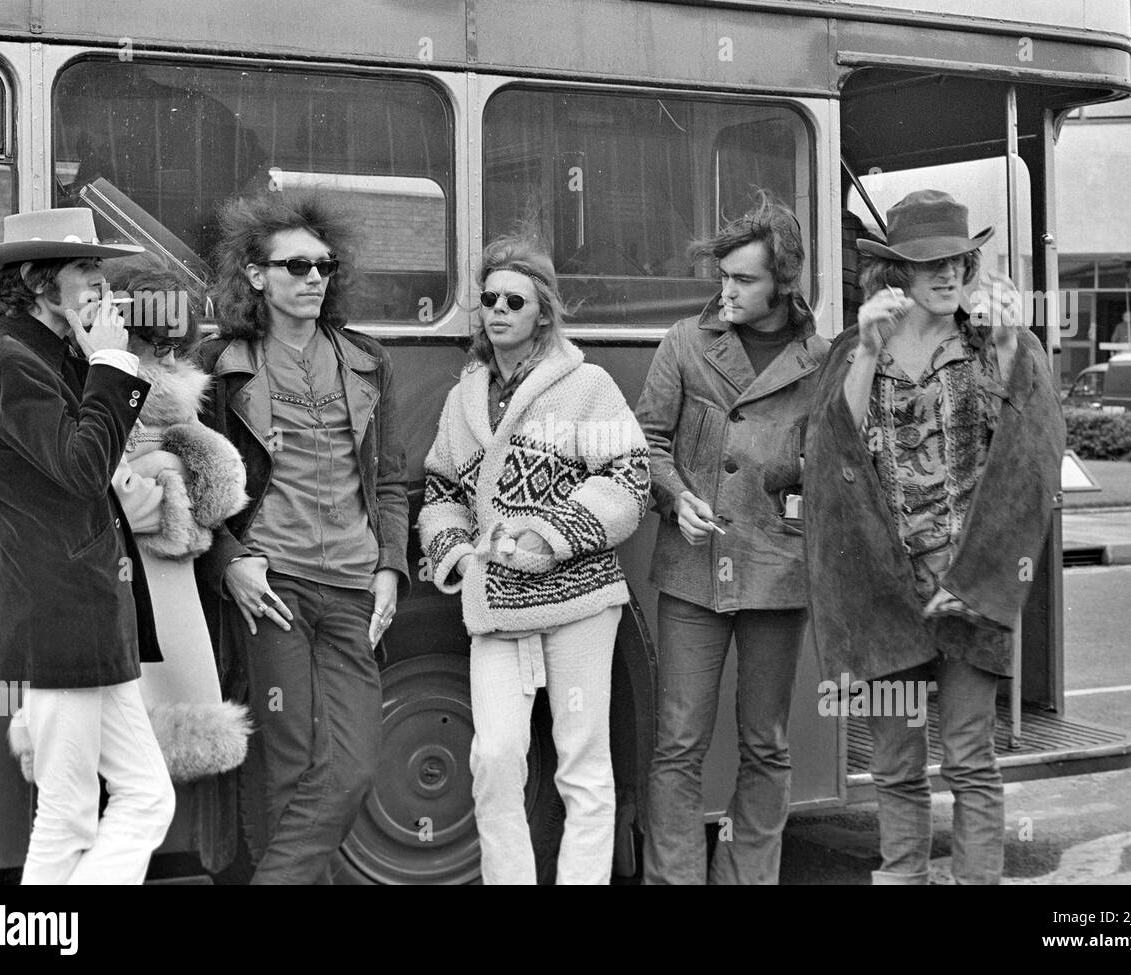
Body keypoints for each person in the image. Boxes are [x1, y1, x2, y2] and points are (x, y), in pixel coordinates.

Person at [804, 189, 1065, 884]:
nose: (948, 274)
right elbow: (834, 446)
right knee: (894, 767)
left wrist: (1012, 338)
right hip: (885, 593)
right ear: (900, 272)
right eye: (929, 263)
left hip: (967, 588)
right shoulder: (861, 347)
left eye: (957, 260)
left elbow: (1034, 434)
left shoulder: (991, 342)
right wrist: (863, 350)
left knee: (970, 760)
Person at [419, 235, 650, 884]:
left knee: (583, 764)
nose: (496, 310)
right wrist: (457, 553)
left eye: (512, 300)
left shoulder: (587, 386)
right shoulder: (464, 397)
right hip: (494, 603)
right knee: (494, 759)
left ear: (542, 312)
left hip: (579, 600)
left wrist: (551, 535)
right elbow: (441, 491)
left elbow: (629, 477)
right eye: (487, 298)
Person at [195, 192, 409, 884]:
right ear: (256, 274)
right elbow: (192, 481)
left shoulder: (366, 362)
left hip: (351, 589)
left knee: (353, 768)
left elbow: (390, 483)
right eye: (296, 265)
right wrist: (229, 561)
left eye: (325, 265)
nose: (315, 278)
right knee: (288, 768)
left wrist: (390, 568)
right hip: (274, 588)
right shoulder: (221, 364)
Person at [0, 208, 175, 884]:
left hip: (80, 613)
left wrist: (99, 361)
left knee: (144, 797)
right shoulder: (11, 362)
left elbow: (90, 459)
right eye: (86, 269)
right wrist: (109, 361)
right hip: (62, 615)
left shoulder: (41, 356)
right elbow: (83, 469)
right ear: (35, 278)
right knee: (72, 813)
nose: (101, 285)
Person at [634, 191, 829, 884]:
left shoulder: (822, 359)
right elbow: (647, 441)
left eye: (744, 280)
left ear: (784, 280)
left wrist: (798, 472)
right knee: (679, 741)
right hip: (694, 563)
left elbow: (837, 462)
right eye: (723, 277)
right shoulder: (686, 342)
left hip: (776, 566)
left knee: (766, 742)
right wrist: (674, 494)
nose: (727, 292)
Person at [106, 254, 252, 788]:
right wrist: (168, 474)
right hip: (119, 577)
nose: (166, 359)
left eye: (175, 347)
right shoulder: (105, 387)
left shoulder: (170, 395)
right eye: (155, 345)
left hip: (162, 578)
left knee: (142, 764)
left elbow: (212, 497)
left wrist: (183, 481)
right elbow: (113, 497)